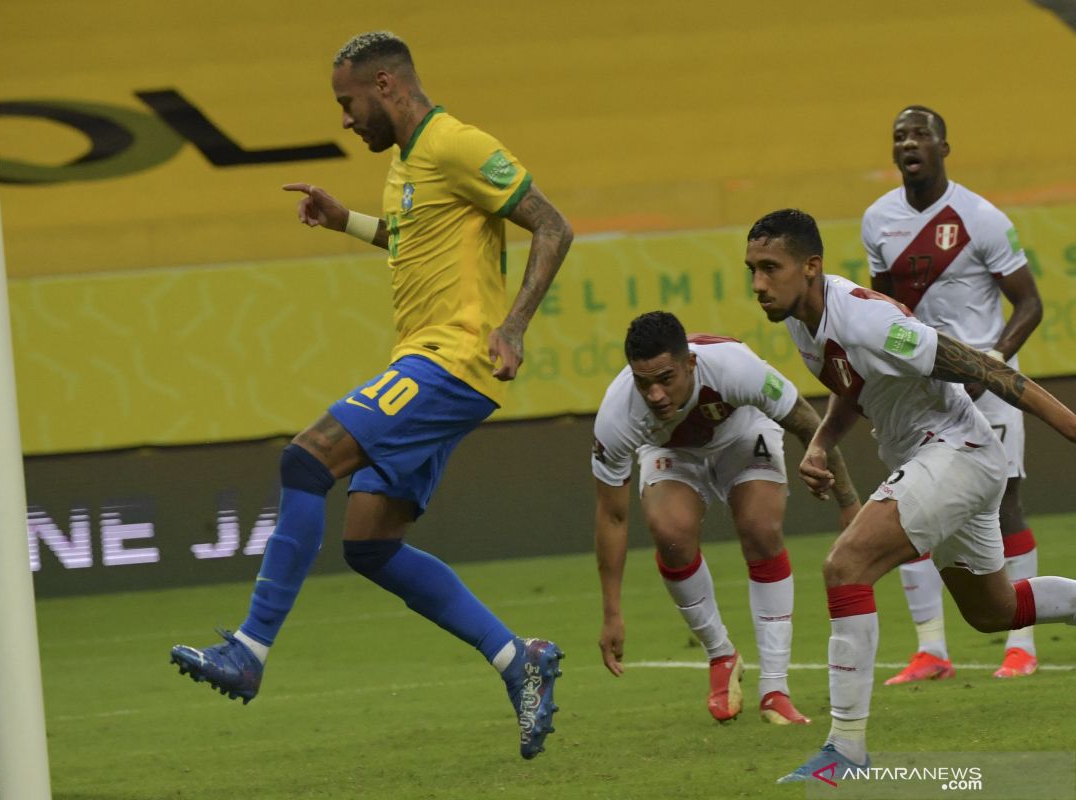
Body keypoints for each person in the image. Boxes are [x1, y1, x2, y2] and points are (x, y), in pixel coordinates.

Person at [170, 31, 574, 760]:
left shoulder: (457, 144)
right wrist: (345, 220)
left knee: (305, 462)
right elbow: (414, 237)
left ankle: (249, 651)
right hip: (429, 363)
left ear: (385, 85)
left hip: (451, 361)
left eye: (347, 102)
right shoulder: (406, 165)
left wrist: (513, 327)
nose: (346, 119)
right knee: (370, 544)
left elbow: (553, 224)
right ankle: (521, 660)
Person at [744, 208, 1076, 783]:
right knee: (992, 611)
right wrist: (820, 443)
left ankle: (844, 751)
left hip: (957, 453)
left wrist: (1070, 426)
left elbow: (985, 370)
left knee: (845, 566)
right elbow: (856, 388)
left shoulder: (866, 319)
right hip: (936, 458)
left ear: (811, 267)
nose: (758, 284)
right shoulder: (802, 321)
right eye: (752, 269)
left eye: (770, 268)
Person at [592, 311, 859, 725]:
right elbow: (611, 517)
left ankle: (775, 689)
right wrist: (612, 612)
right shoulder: (616, 415)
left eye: (666, 378)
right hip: (673, 453)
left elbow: (808, 422)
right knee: (670, 534)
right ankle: (721, 654)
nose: (656, 394)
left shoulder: (735, 367)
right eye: (644, 382)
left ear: (690, 364)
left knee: (761, 528)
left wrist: (848, 504)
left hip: (742, 433)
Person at [863, 105, 1045, 682]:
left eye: (921, 134)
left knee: (1005, 504)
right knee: (909, 507)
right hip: (917, 392)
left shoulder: (981, 218)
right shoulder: (877, 220)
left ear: (945, 147)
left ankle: (1022, 644)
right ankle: (932, 650)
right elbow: (881, 306)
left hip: (984, 387)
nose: (909, 143)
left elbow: (1030, 303)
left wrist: (991, 361)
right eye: (900, 136)